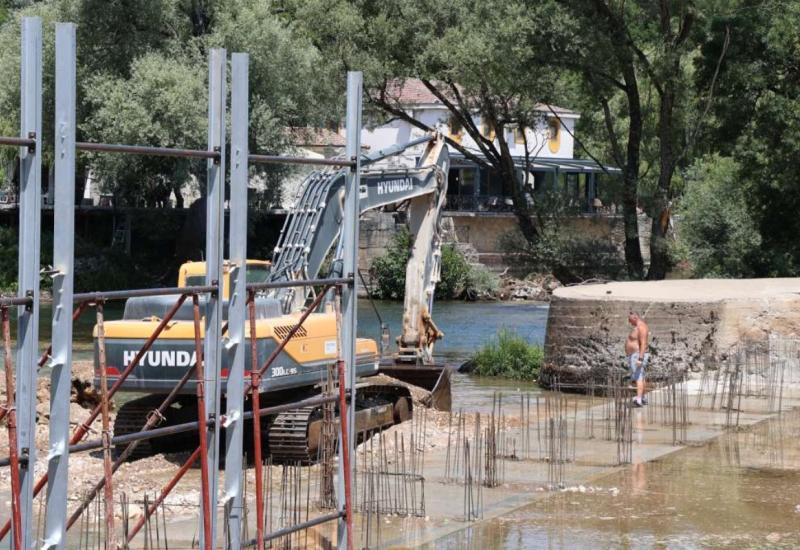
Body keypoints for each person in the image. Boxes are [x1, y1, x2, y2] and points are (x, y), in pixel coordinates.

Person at [625, 311, 649, 407]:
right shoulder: (638, 327)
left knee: (638, 377)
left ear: (635, 317)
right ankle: (642, 397)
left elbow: (643, 343)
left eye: (630, 320)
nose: (629, 322)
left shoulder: (641, 327)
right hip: (635, 355)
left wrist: (640, 358)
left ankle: (638, 400)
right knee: (641, 377)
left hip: (637, 355)